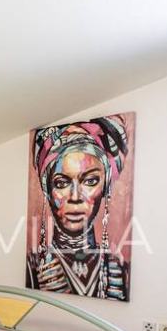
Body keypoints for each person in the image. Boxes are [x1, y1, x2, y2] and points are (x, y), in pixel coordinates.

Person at [26, 117, 130, 300]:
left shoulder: (120, 270)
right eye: (61, 183)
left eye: (90, 181)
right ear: (48, 190)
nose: (75, 197)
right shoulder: (31, 268)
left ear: (105, 187)